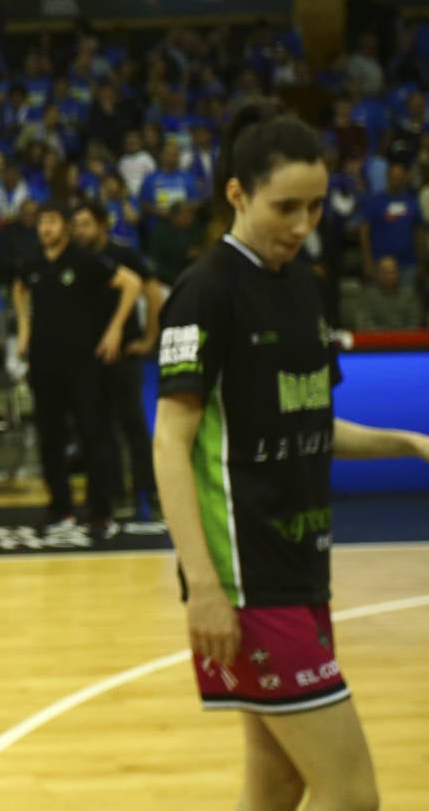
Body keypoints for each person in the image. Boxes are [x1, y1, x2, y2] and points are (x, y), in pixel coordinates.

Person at [154, 99, 429, 811]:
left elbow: (314, 423)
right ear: (238, 193)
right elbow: (170, 445)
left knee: (275, 785)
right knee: (352, 794)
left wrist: (409, 443)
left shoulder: (301, 282)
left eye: (314, 207)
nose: (303, 226)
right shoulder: (204, 292)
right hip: (249, 586)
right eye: (285, 207)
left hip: (305, 571)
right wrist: (204, 588)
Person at [13, 199, 141, 540]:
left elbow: (131, 283)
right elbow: (19, 287)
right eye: (42, 222)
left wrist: (115, 329)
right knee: (50, 438)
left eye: (52, 221)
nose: (46, 228)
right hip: (43, 363)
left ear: (66, 227)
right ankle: (60, 507)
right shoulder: (34, 262)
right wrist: (24, 329)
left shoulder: (84, 261)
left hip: (82, 364)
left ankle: (100, 511)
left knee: (92, 435)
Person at [72, 200, 163, 519]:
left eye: (85, 223)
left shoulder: (124, 253)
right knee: (98, 427)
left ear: (102, 225)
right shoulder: (78, 258)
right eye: (76, 225)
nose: (79, 231)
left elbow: (153, 294)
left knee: (133, 424)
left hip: (123, 351)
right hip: (90, 354)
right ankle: (114, 492)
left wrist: (150, 338)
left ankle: (147, 491)